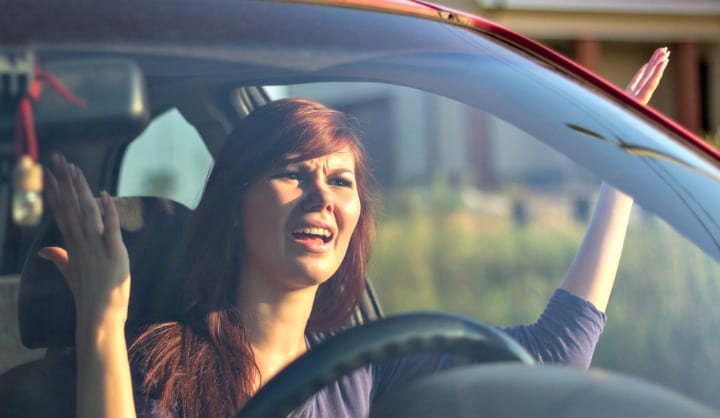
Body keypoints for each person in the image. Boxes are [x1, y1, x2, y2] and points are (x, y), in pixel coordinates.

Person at [39, 48, 669, 418]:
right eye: (293, 174)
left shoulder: (360, 368)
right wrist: (102, 315)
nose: (323, 198)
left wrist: (619, 180)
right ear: (234, 204)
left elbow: (556, 353)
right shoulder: (167, 362)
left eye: (342, 183)